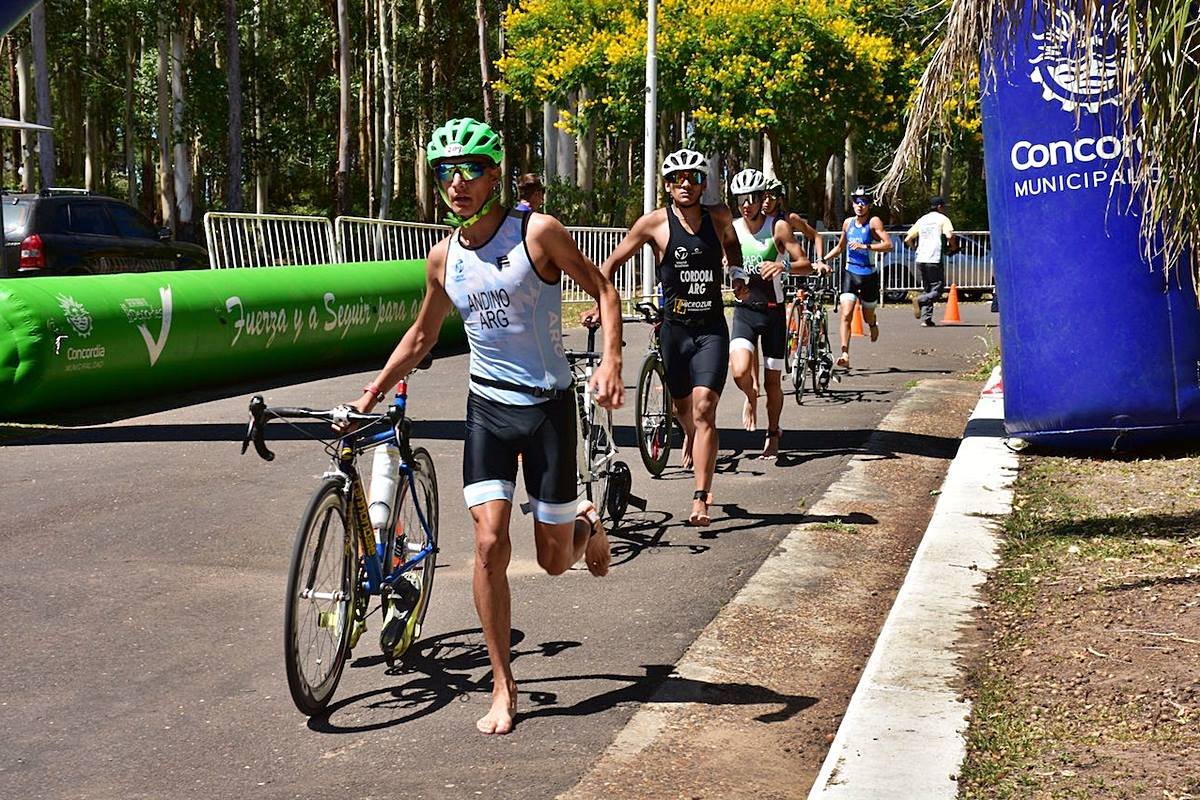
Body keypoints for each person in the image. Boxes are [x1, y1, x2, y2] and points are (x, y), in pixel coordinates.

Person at [347, 118, 624, 736]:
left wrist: (609, 360)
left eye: (469, 169)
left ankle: (586, 523)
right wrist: (374, 390)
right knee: (488, 543)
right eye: (444, 171)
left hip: (547, 408)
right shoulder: (443, 257)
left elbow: (604, 289)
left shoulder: (538, 233)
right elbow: (422, 334)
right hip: (488, 412)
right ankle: (503, 684)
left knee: (554, 562)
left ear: (495, 173)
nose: (456, 182)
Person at [586, 148, 742, 527]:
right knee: (683, 409)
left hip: (711, 330)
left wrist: (736, 273)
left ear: (703, 183)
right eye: (676, 179)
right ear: (668, 186)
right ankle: (689, 433)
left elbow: (732, 243)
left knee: (705, 409)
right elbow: (611, 262)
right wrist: (598, 301)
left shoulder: (719, 215)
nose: (685, 184)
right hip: (674, 330)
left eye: (693, 177)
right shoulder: (653, 224)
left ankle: (700, 497)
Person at [727, 168, 827, 459]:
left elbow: (805, 264)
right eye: (741, 199)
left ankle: (773, 431)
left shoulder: (778, 228)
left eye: (751, 198)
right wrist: (731, 272)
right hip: (744, 310)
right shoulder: (732, 228)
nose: (746, 204)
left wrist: (782, 267)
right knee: (740, 372)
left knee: (773, 383)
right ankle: (749, 396)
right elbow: (727, 260)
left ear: (762, 199)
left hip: (773, 313)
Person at [819, 187, 892, 370]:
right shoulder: (848, 223)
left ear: (869, 205)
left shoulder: (873, 222)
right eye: (856, 202)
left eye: (863, 202)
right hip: (850, 273)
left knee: (867, 315)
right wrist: (822, 260)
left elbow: (888, 244)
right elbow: (840, 247)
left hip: (868, 276)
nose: (859, 206)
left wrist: (866, 246)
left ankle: (873, 323)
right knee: (846, 314)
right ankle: (845, 354)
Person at [905, 195, 957, 327]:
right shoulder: (943, 219)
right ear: (939, 207)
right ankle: (919, 300)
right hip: (934, 257)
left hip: (921, 257)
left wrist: (915, 248)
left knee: (928, 288)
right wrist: (953, 246)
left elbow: (908, 238)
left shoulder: (922, 219)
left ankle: (926, 319)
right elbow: (950, 235)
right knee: (937, 290)